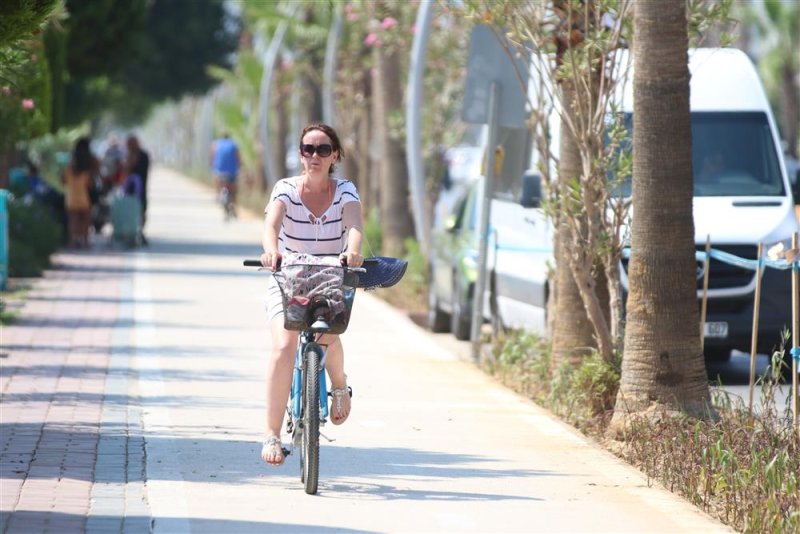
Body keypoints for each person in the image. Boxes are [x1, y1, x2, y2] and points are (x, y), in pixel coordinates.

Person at [259, 123, 364, 466]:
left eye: (322, 149)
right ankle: (272, 435)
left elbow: (355, 225)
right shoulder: (286, 189)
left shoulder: (345, 190)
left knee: (326, 336)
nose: (314, 156)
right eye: (308, 149)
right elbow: (271, 226)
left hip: (330, 278)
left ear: (335, 155)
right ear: (300, 154)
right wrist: (270, 251)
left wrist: (353, 252)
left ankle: (338, 385)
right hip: (286, 278)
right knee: (284, 347)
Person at [62, 137, 98, 248]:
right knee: (86, 220)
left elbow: (63, 180)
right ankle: (84, 241)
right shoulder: (89, 166)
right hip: (85, 197)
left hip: (71, 197)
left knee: (73, 220)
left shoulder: (69, 168)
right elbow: (91, 183)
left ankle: (73, 241)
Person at [125, 134, 150, 245]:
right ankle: (131, 232)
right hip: (130, 189)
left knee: (142, 210)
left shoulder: (143, 155)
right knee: (130, 210)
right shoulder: (128, 155)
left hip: (141, 188)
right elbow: (126, 171)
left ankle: (140, 231)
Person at [210, 133, 240, 215]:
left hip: (219, 171)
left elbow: (212, 156)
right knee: (234, 189)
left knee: (216, 180)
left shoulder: (216, 144)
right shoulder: (234, 144)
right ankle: (234, 205)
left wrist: (212, 165)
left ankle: (217, 194)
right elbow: (238, 157)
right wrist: (240, 165)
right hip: (232, 172)